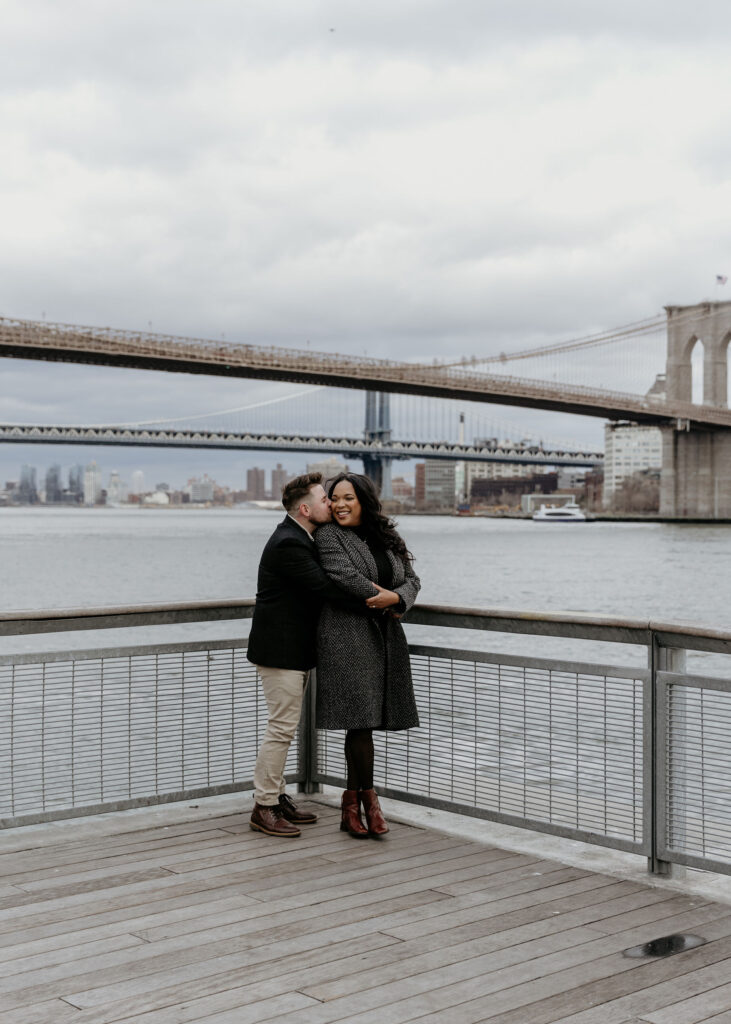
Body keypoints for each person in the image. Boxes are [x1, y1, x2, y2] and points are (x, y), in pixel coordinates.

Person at [247, 472, 369, 838]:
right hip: (280, 651)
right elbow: (326, 587)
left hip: (291, 650)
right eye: (323, 500)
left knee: (283, 727)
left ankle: (277, 796)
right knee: (281, 728)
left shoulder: (299, 537)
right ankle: (264, 806)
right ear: (305, 508)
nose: (330, 504)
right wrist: (378, 599)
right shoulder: (289, 543)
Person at [315, 472, 421, 838]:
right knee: (359, 720)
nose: (340, 505)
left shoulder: (388, 536)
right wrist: (388, 597)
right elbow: (342, 575)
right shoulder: (328, 535)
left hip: (385, 636)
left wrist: (398, 597)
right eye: (334, 498)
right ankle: (365, 803)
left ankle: (355, 804)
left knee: (366, 721)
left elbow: (412, 579)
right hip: (346, 635)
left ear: (364, 501)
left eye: (349, 498)